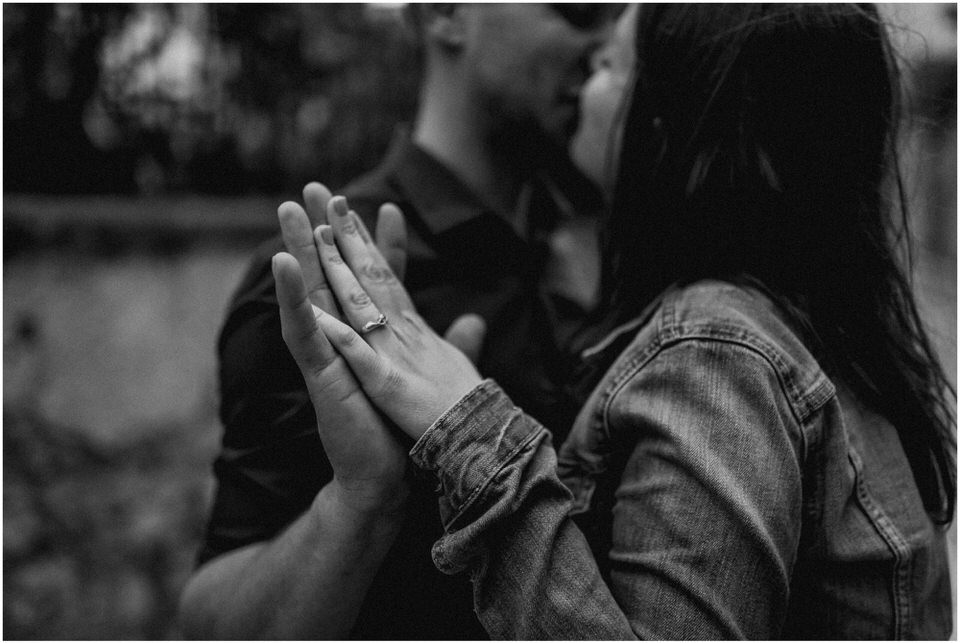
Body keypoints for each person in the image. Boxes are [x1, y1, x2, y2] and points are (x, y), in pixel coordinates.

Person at [272, 3, 956, 639]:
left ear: (670, 123)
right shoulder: (810, 321)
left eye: (613, 65)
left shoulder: (716, 352)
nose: (588, 65)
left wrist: (465, 424)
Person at [179, 4, 620, 639]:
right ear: (446, 12)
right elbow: (206, 626)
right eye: (579, 8)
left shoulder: (605, 252)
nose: (606, 43)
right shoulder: (331, 278)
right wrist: (361, 502)